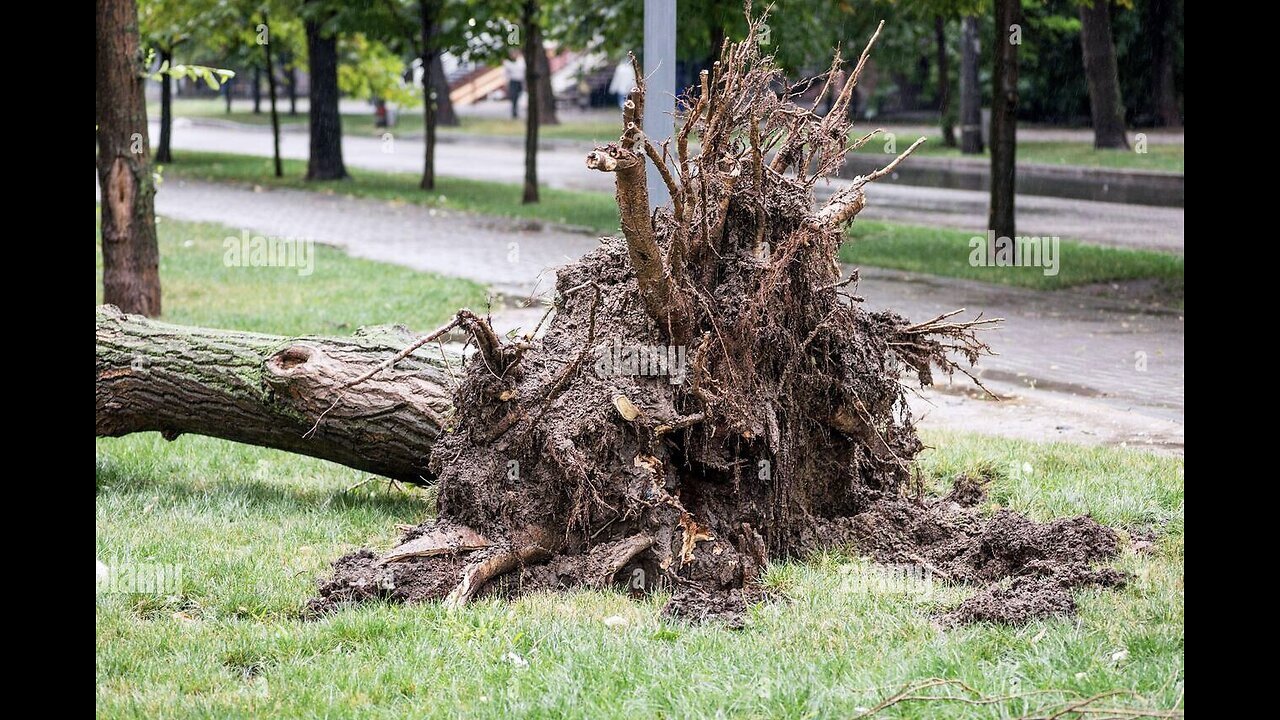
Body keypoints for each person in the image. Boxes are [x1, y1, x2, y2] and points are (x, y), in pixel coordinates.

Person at [502, 53, 526, 119]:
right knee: (514, 97)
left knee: (517, 97)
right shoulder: (515, 62)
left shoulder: (520, 61)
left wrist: (506, 63)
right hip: (514, 81)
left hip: (518, 81)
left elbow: (518, 69)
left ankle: (515, 111)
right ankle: (514, 112)